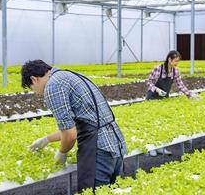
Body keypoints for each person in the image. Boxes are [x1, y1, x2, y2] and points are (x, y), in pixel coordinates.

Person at [21, 60, 126, 193]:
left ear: (34, 79)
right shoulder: (71, 75)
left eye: (32, 89)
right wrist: (46, 139)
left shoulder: (53, 86)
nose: (36, 93)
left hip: (98, 150)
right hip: (115, 144)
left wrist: (62, 152)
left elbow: (70, 135)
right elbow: (86, 124)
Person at [145, 50, 202, 157]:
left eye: (178, 62)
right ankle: (151, 147)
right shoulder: (159, 69)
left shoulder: (175, 71)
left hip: (164, 99)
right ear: (169, 59)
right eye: (175, 61)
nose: (176, 64)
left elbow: (180, 85)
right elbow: (149, 82)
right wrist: (156, 90)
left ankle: (161, 147)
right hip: (152, 98)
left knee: (162, 123)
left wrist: (190, 94)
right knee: (152, 123)